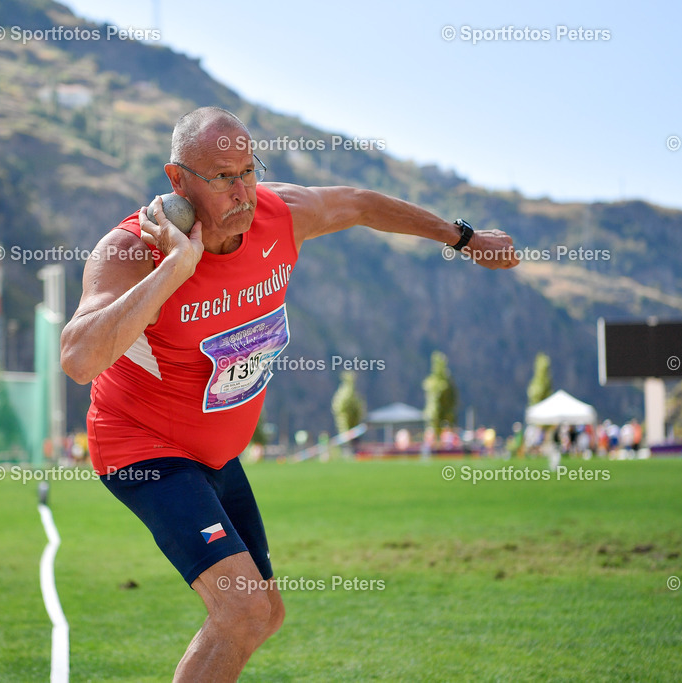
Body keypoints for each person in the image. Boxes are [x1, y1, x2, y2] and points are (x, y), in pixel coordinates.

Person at [60, 106, 519, 681]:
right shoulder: (134, 250)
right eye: (222, 177)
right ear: (177, 181)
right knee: (243, 609)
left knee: (264, 613)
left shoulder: (279, 213)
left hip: (217, 456)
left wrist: (465, 237)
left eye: (248, 170)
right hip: (144, 450)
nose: (243, 190)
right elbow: (79, 360)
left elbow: (359, 202)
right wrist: (175, 270)